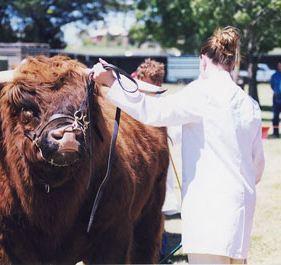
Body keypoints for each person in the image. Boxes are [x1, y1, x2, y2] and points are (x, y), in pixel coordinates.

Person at [91, 26, 265, 264]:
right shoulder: (250, 104)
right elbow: (257, 169)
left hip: (209, 209)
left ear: (203, 61)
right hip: (242, 208)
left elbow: (154, 111)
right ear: (232, 65)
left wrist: (110, 82)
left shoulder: (202, 92)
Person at [135, 58, 180, 262]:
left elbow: (175, 135)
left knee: (156, 208)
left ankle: (160, 253)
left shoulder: (164, 106)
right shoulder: (130, 101)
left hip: (158, 166)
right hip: (136, 165)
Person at [269, 60, 281, 138]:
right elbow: (271, 85)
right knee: (275, 116)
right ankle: (275, 133)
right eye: (279, 65)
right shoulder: (274, 75)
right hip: (277, 98)